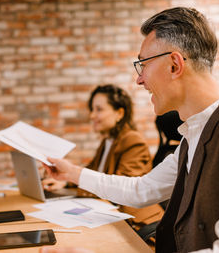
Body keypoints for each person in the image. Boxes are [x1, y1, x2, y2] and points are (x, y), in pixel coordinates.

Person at [40, 7, 219, 253]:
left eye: (143, 65)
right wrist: (73, 173)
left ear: (174, 65)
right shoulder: (192, 136)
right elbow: (140, 190)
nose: (139, 80)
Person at [42, 84, 164, 227]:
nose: (92, 115)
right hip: (112, 214)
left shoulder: (132, 141)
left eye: (98, 109)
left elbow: (122, 189)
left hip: (135, 222)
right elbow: (93, 170)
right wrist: (65, 180)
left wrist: (76, 180)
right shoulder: (108, 141)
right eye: (92, 109)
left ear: (119, 113)